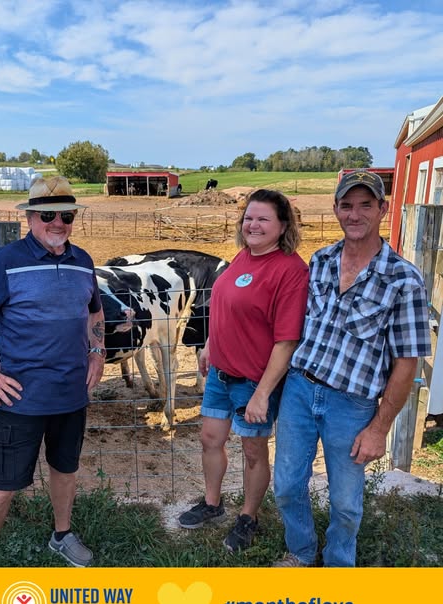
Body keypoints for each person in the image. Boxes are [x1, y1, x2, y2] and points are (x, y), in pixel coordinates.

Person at [273, 170, 432, 567]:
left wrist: (379, 428)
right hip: (299, 389)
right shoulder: (321, 261)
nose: (355, 214)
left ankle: (339, 564)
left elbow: (407, 361)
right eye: (347, 205)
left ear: (383, 209)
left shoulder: (404, 279)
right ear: (336, 209)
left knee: (345, 501)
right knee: (287, 486)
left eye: (365, 205)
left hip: (352, 403)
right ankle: (301, 552)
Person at [0, 176, 106, 568]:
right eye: (48, 215)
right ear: (31, 218)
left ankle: (62, 535)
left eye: (66, 215)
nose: (58, 223)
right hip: (21, 398)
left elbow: (95, 311)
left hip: (71, 394)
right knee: (2, 486)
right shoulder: (6, 261)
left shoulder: (83, 261)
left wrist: (97, 351)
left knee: (65, 470)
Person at [178, 189, 309, 552]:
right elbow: (226, 307)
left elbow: (287, 341)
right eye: (249, 218)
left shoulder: (291, 271)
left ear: (283, 225)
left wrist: (262, 394)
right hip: (220, 373)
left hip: (253, 380)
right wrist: (209, 345)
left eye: (263, 219)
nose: (253, 225)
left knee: (253, 452)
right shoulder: (243, 257)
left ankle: (249, 516)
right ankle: (212, 503)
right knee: (210, 439)